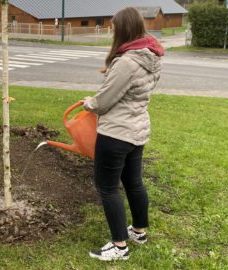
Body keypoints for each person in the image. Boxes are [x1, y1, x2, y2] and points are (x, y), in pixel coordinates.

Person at [83, 7, 164, 261]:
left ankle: (120, 246)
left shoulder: (127, 62)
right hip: (137, 130)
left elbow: (105, 100)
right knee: (134, 182)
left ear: (123, 29)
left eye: (114, 27)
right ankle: (138, 232)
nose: (112, 32)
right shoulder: (150, 55)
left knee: (107, 187)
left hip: (116, 134)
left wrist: (90, 103)